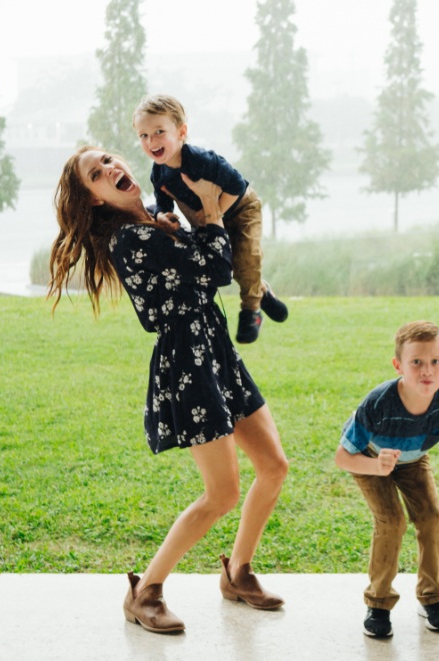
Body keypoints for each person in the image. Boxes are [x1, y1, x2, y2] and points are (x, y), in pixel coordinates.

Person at [49, 145, 290, 634]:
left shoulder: (160, 215)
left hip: (216, 349)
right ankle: (146, 591)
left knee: (274, 466)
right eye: (97, 173)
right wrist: (215, 217)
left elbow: (206, 269)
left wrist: (198, 217)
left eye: (110, 159)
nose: (112, 169)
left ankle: (237, 573)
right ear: (94, 198)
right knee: (221, 494)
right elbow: (214, 270)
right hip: (188, 365)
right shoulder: (130, 240)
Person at [334, 321, 439, 639]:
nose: (427, 371)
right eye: (416, 362)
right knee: (391, 521)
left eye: (435, 362)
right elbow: (342, 457)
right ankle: (379, 603)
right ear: (398, 365)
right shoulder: (378, 403)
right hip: (369, 459)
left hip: (412, 460)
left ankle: (432, 597)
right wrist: (376, 465)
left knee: (432, 519)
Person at [133, 94, 288, 345]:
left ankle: (251, 310)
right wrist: (163, 214)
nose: (151, 141)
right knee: (230, 265)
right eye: (143, 135)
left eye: (159, 131)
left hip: (241, 208)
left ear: (181, 132)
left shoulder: (201, 160)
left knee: (247, 257)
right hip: (208, 220)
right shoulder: (158, 172)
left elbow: (237, 185)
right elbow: (163, 202)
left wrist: (213, 215)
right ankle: (262, 291)